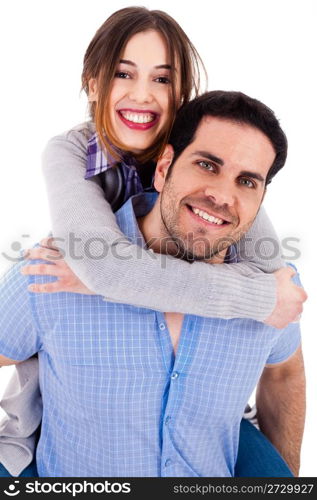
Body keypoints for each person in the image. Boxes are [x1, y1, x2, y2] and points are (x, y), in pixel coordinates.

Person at [0, 7, 305, 476]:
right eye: (124, 72)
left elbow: (271, 277)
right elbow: (104, 267)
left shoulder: (224, 168)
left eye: (162, 79)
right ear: (93, 82)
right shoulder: (71, 157)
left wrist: (273, 290)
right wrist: (263, 298)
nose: (142, 93)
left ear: (181, 94)